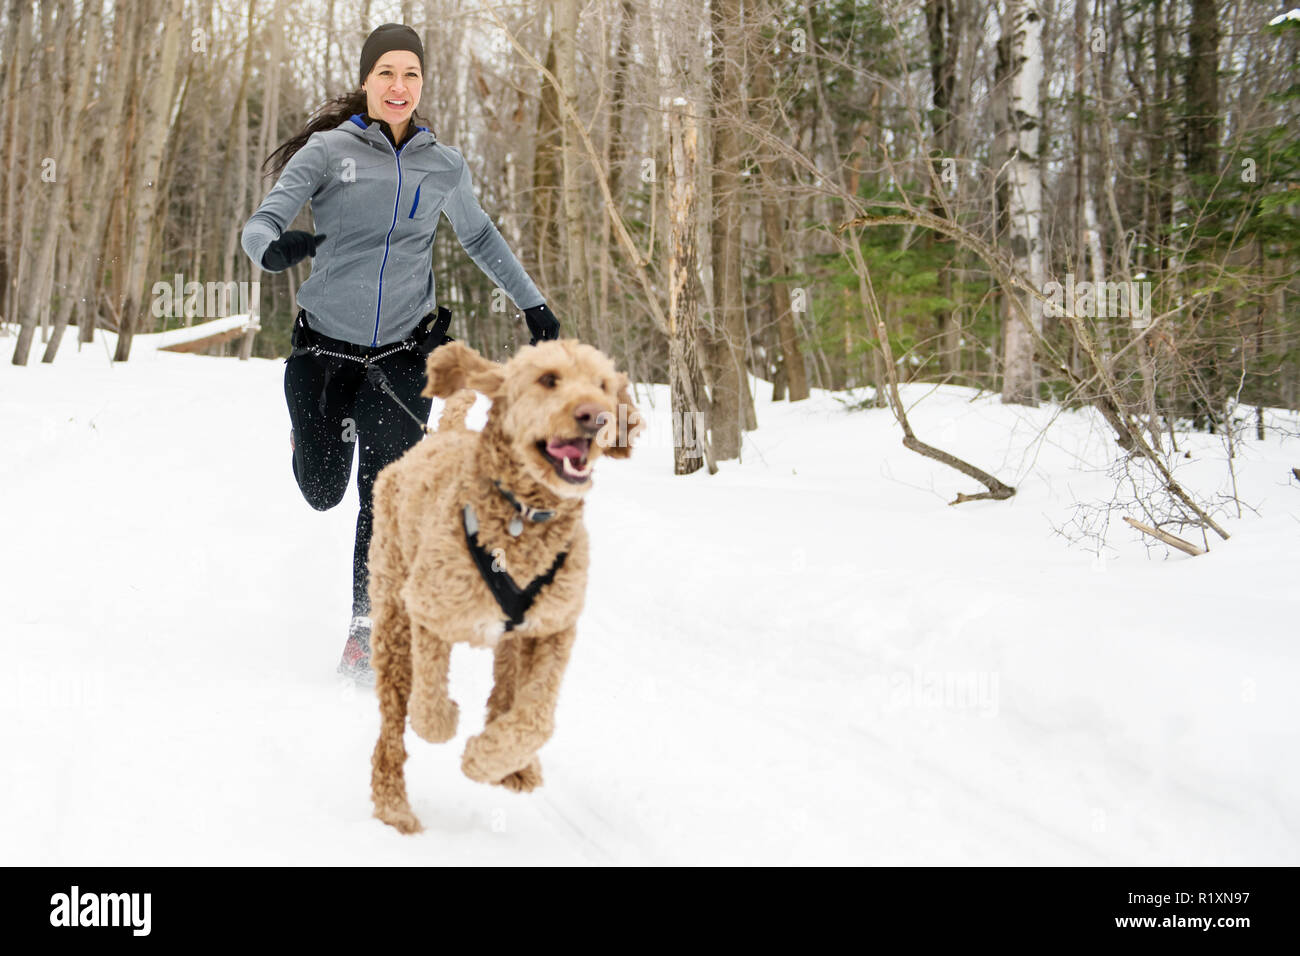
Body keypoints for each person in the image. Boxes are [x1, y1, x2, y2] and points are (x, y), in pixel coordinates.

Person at [241, 22, 560, 684]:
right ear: (366, 80)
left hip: (402, 357)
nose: (398, 85)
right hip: (323, 352)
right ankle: (312, 443)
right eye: (386, 72)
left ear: (421, 84)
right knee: (325, 491)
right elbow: (262, 221)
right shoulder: (328, 152)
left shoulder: (442, 164)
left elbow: (481, 238)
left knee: (384, 499)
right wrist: (272, 248)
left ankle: (366, 629)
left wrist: (532, 305)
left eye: (410, 74)